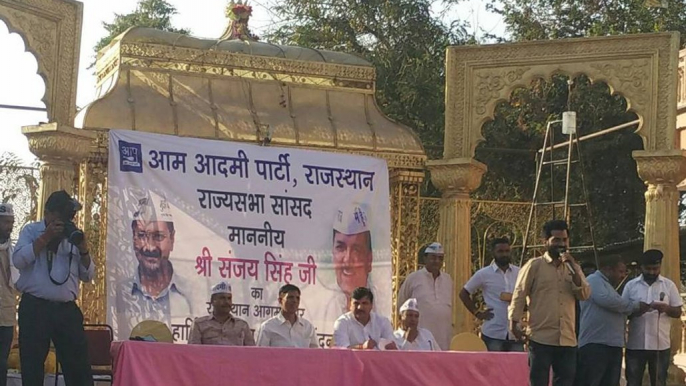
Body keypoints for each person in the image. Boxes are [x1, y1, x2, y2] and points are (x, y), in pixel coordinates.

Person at [13, 190, 94, 386]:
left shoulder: (72, 234)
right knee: (32, 367)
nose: (64, 223)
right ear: (47, 213)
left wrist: (83, 249)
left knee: (79, 369)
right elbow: (18, 260)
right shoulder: (32, 231)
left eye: (68, 217)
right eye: (60, 217)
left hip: (66, 310)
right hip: (35, 308)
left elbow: (88, 275)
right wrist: (45, 238)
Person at [508, 220, 591, 386]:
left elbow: (584, 295)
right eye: (556, 240)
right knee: (538, 382)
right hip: (541, 338)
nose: (561, 244)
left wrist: (574, 270)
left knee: (565, 382)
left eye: (564, 240)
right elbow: (519, 294)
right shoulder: (535, 266)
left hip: (567, 339)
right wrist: (513, 322)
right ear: (545, 242)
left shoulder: (573, 267)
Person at [116, 192, 193, 334]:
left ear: (172, 239)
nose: (150, 247)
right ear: (133, 238)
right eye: (141, 235)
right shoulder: (121, 292)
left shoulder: (190, 294)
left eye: (158, 236)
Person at [575, 255, 650, 386]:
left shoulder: (608, 287)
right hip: (596, 345)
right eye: (620, 271)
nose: (623, 276)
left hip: (612, 345)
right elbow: (608, 301)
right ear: (608, 269)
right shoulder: (593, 281)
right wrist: (634, 306)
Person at [623, 249, 682, 386]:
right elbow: (622, 310)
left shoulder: (669, 285)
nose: (651, 272)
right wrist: (636, 310)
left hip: (660, 345)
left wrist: (666, 308)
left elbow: (678, 312)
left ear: (660, 266)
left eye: (655, 268)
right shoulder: (631, 286)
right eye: (648, 269)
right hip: (636, 344)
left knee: (659, 381)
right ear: (641, 267)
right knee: (633, 381)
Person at [460, 237, 522, 352]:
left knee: (516, 368)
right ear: (493, 252)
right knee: (492, 369)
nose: (504, 254)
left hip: (515, 333)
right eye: (500, 251)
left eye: (507, 251)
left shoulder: (520, 272)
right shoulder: (484, 274)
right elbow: (464, 293)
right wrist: (478, 313)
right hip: (493, 333)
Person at [397, 242, 453, 351]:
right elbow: (401, 305)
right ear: (425, 259)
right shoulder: (413, 278)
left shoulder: (448, 280)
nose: (436, 261)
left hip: (443, 335)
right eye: (433, 257)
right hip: (419, 339)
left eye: (440, 258)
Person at [188, 281, 255, 346]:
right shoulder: (199, 325)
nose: (227, 302)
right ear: (212, 301)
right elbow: (193, 354)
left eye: (229, 298)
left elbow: (252, 354)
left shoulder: (242, 326)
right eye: (222, 298)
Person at [332, 287, 397, 350]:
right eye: (356, 303)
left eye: (364, 303)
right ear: (350, 305)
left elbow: (391, 348)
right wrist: (362, 347)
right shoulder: (342, 322)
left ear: (371, 305)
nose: (360, 307)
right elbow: (341, 351)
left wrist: (389, 347)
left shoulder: (383, 322)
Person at [256, 284, 318, 348]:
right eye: (290, 297)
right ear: (280, 300)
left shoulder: (308, 327)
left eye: (297, 298)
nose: (294, 301)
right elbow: (260, 355)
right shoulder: (268, 327)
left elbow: (316, 354)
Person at [0, 204, 18, 386]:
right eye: (6, 222)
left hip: (5, 314)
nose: (10, 226)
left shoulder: (12, 250)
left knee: (1, 362)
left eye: (12, 222)